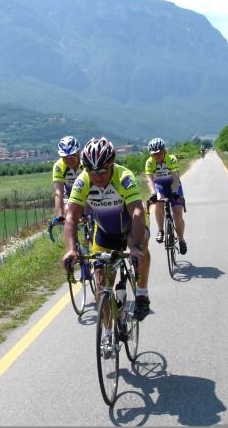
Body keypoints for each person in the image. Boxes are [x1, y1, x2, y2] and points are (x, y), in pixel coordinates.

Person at [62, 137, 152, 321]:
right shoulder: (82, 181)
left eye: (102, 171)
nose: (97, 177)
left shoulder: (124, 177)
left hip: (131, 228)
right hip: (105, 233)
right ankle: (108, 333)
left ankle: (142, 294)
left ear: (112, 164)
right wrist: (71, 250)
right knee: (102, 287)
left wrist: (135, 247)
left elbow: (136, 211)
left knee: (140, 247)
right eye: (92, 171)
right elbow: (71, 217)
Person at [145, 137, 187, 255]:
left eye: (159, 152)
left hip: (174, 185)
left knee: (177, 215)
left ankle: (181, 240)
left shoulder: (171, 159)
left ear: (164, 150)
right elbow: (149, 179)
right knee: (158, 203)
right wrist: (153, 193)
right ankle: (161, 230)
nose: (157, 155)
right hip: (160, 187)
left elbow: (176, 176)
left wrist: (175, 191)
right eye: (154, 154)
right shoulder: (149, 162)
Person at [52, 135, 84, 224]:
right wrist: (59, 215)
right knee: (68, 211)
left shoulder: (86, 162)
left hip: (87, 193)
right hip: (69, 195)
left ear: (78, 153)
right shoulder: (59, 166)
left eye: (72, 155)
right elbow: (59, 192)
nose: (69, 160)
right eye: (65, 157)